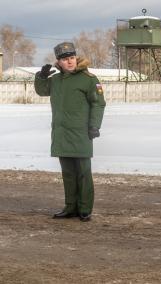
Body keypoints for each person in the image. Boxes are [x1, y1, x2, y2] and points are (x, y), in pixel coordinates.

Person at [35, 42, 106, 221]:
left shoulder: (88, 79)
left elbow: (98, 103)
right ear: (59, 62)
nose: (70, 62)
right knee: (67, 173)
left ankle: (84, 209)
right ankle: (70, 207)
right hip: (61, 134)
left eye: (72, 58)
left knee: (83, 173)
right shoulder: (56, 80)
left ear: (76, 58)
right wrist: (41, 76)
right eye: (65, 59)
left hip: (81, 133)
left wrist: (94, 125)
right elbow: (42, 91)